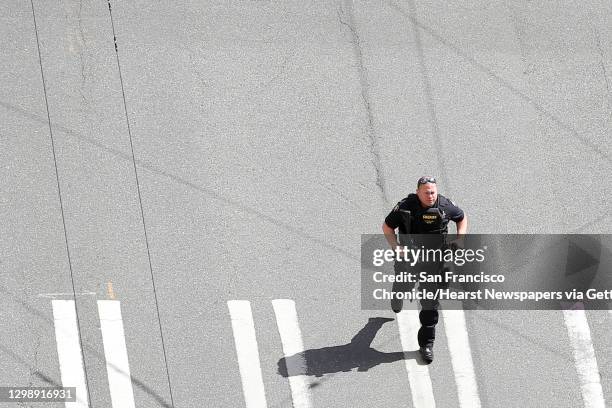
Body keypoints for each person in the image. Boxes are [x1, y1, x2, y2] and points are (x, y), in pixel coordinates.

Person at [382, 176, 467, 363]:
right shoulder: (405, 206)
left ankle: (426, 345)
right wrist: (396, 247)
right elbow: (387, 227)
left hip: (434, 261)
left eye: (433, 192)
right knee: (404, 285)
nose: (430, 196)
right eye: (427, 192)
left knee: (430, 304)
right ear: (418, 192)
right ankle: (398, 294)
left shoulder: (445, 206)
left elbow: (461, 217)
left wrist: (460, 239)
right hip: (409, 259)